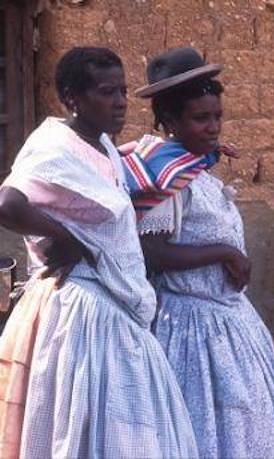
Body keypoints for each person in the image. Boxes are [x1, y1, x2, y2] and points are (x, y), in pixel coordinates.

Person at [0, 47, 197, 458]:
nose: (121, 102)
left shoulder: (103, 145)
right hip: (84, 309)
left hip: (116, 301)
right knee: (95, 431)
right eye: (108, 92)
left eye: (123, 91)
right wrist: (64, 238)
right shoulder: (53, 147)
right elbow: (8, 205)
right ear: (72, 97)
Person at [119, 47, 274, 458]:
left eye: (217, 116)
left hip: (227, 322)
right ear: (170, 121)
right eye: (200, 118)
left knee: (246, 427)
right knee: (205, 431)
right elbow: (150, 252)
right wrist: (223, 251)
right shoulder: (164, 178)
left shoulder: (192, 169)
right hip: (190, 327)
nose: (213, 127)